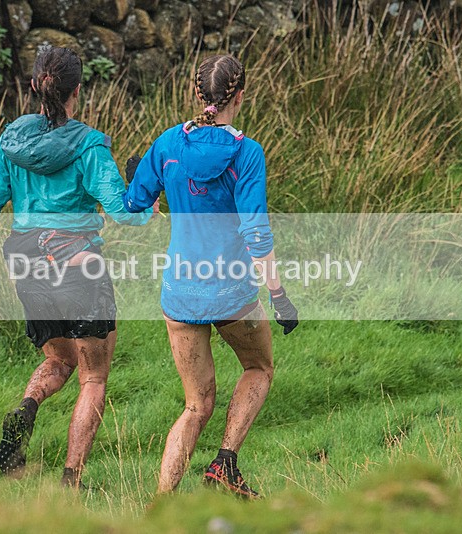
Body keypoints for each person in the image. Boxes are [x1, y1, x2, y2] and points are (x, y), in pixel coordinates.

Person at [0, 47, 154, 489]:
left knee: (58, 358)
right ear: (77, 91)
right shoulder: (89, 146)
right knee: (93, 374)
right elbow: (127, 213)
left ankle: (27, 407)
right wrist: (142, 186)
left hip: (27, 264)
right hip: (77, 265)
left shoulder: (12, 142)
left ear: (35, 86)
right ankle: (71, 480)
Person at [122, 54, 299, 498]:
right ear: (240, 96)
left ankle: (161, 508)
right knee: (258, 366)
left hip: (180, 294)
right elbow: (256, 230)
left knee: (195, 405)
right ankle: (225, 462)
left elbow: (133, 203)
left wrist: (138, 180)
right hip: (232, 292)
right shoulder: (246, 152)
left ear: (196, 96)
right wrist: (279, 295)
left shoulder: (167, 144)